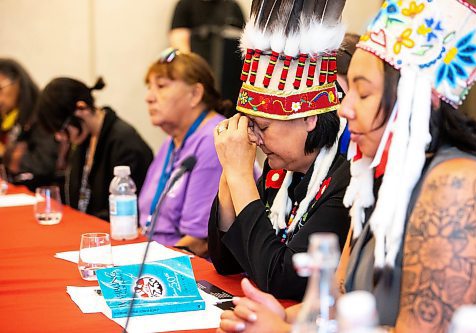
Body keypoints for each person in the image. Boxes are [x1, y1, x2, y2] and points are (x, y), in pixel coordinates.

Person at [216, 0, 476, 332]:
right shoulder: (372, 177)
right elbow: (339, 298)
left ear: (415, 99)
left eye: (363, 95)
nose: (345, 109)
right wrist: (287, 318)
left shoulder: (459, 183)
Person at [208, 0, 351, 301]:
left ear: (309, 118)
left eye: (264, 127)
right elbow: (227, 262)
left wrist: (240, 177)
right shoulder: (281, 171)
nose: (255, 139)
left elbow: (282, 278)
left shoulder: (346, 180)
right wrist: (230, 173)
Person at [138, 48, 230, 257]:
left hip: (190, 267)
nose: (149, 97)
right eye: (149, 87)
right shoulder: (172, 141)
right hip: (157, 253)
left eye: (161, 86)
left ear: (195, 94)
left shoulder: (213, 141)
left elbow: (199, 241)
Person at [38, 77, 153, 221]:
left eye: (61, 129)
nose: (60, 138)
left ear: (81, 108)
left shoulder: (125, 144)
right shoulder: (85, 139)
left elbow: (127, 210)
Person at [0, 58, 61, 191]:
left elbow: (45, 164)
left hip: (42, 195)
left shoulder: (40, 114)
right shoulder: (8, 117)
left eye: (0, 89)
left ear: (18, 82)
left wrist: (8, 156)